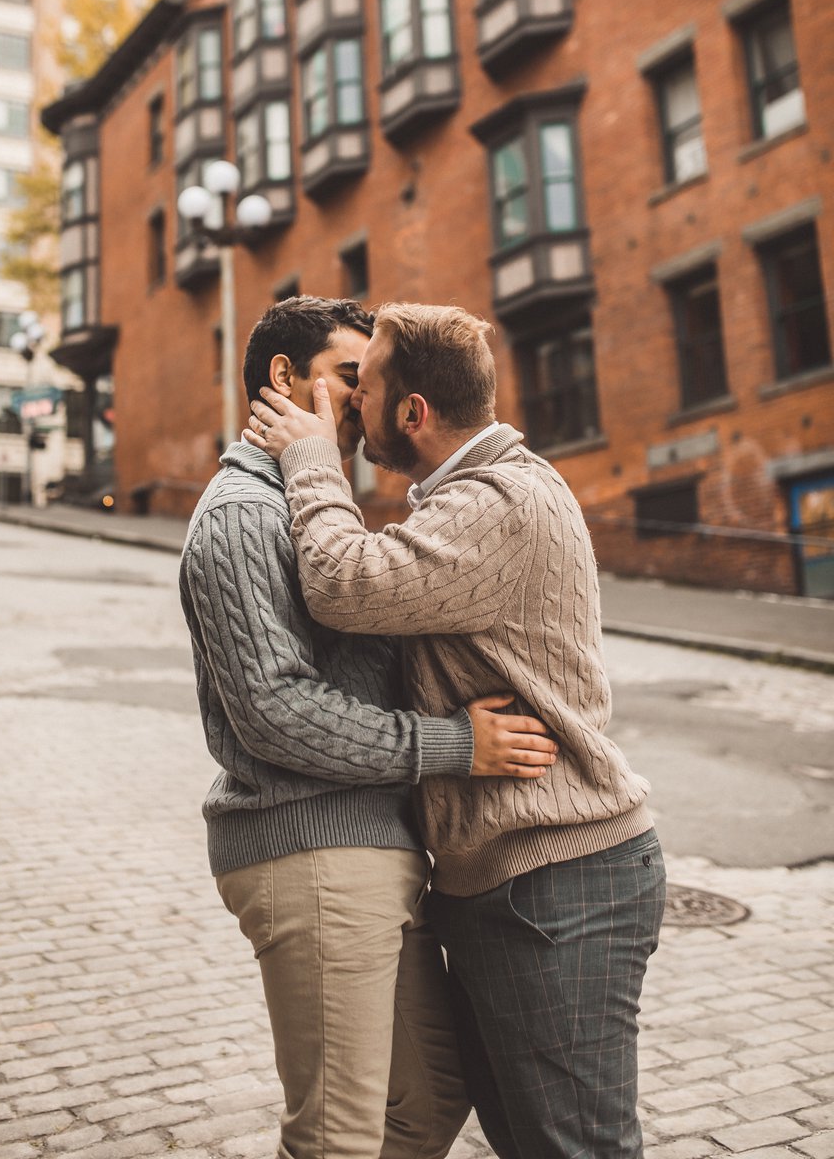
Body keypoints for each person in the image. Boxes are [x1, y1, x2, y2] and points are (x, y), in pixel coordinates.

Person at [246, 301, 667, 1159]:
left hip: (559, 881)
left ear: (414, 414)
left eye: (365, 386)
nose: (350, 402)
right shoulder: (467, 497)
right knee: (527, 1140)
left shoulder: (499, 502)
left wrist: (311, 460)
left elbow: (340, 581)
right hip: (505, 882)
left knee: (573, 1146)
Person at [179, 296, 560, 1159]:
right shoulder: (243, 513)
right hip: (307, 851)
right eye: (349, 377)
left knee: (428, 1101)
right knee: (336, 1135)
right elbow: (275, 712)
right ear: (284, 378)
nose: (363, 400)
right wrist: (458, 746)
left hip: (374, 854)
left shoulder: (318, 508)